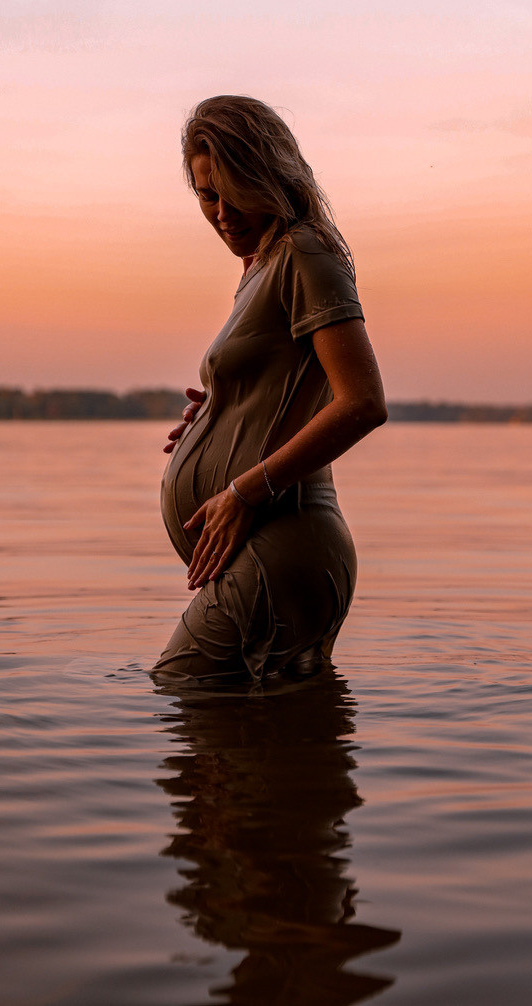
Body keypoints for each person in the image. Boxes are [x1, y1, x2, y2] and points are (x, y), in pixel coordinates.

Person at [152, 95, 387, 685]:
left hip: (287, 538)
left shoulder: (304, 253)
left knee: (180, 695)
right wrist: (226, 413)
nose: (223, 212)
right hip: (268, 545)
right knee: (274, 750)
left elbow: (362, 402)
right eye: (207, 195)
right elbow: (298, 385)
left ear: (272, 175)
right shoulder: (263, 263)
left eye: (236, 189)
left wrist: (243, 492)